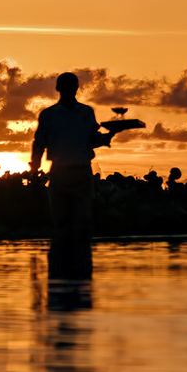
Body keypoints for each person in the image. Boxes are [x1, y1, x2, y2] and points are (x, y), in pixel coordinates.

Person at [30, 72, 111, 276]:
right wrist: (34, 169)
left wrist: (110, 135)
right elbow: (39, 143)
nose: (68, 90)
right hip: (60, 173)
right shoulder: (49, 114)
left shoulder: (86, 113)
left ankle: (80, 272)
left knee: (82, 220)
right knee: (61, 221)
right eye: (65, 86)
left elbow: (92, 140)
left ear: (75, 89)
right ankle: (60, 272)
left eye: (71, 86)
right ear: (59, 89)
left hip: (82, 172)